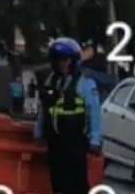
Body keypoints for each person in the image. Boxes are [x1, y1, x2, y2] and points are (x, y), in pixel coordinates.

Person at [34, 37, 103, 194]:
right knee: (58, 186)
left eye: (65, 60)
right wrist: (38, 133)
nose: (62, 63)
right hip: (55, 144)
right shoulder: (50, 82)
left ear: (73, 60)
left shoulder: (85, 84)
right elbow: (43, 109)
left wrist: (95, 140)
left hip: (76, 144)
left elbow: (94, 113)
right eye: (58, 60)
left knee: (77, 187)